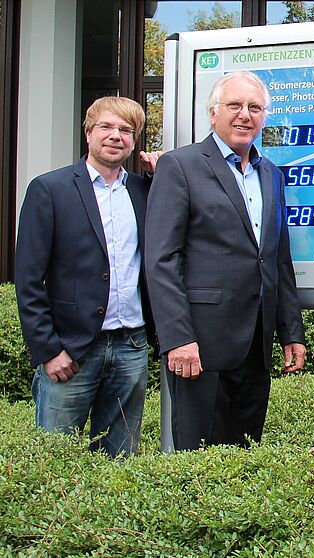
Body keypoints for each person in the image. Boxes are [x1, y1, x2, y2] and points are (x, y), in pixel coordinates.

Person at [145, 71, 306, 451]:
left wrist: (291, 332)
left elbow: (277, 259)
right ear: (213, 113)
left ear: (264, 116)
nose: (244, 115)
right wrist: (178, 338)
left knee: (244, 458)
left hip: (255, 345)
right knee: (198, 463)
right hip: (199, 347)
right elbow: (161, 259)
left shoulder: (271, 174)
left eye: (254, 107)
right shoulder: (180, 166)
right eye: (234, 105)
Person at [15, 96, 160, 457]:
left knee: (119, 463)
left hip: (131, 348)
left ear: (134, 139)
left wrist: (163, 175)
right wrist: (49, 351)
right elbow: (29, 279)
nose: (116, 136)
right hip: (71, 350)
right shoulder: (50, 189)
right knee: (54, 462)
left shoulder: (144, 191)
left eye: (126, 130)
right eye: (106, 127)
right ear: (88, 132)